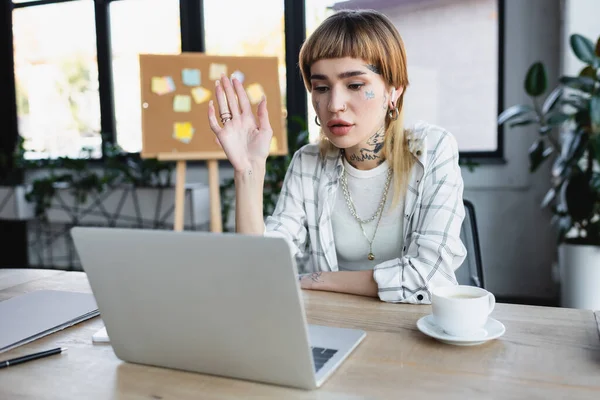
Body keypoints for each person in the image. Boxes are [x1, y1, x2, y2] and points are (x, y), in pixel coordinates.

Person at [207, 9, 466, 304]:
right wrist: (248, 170)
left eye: (355, 85)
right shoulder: (308, 164)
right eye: (321, 87)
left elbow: (430, 277)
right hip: (336, 322)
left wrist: (319, 280)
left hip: (414, 327)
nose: (334, 104)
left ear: (393, 91)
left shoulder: (432, 151)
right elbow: (256, 269)